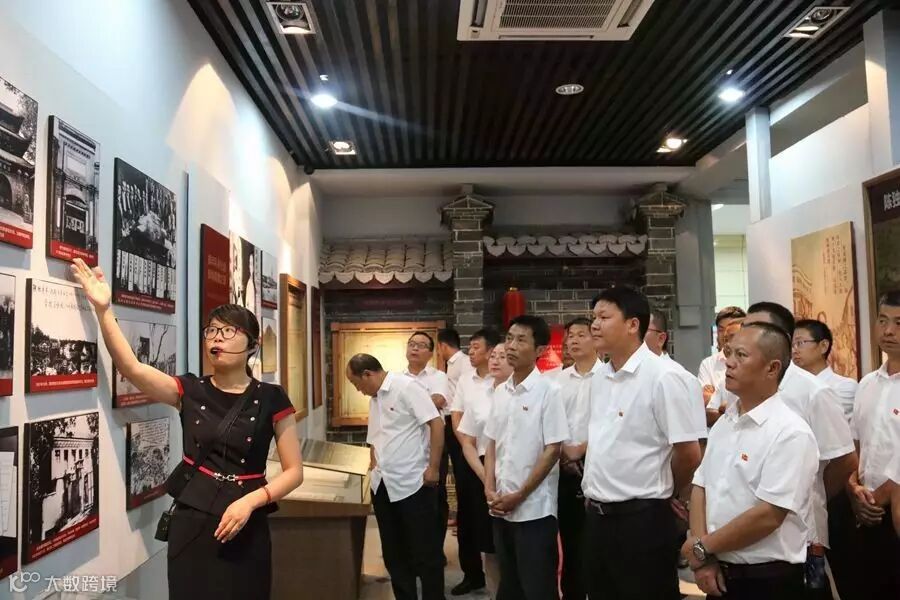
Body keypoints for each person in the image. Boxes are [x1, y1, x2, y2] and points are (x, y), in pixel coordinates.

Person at [69, 259, 303, 600]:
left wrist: (251, 502)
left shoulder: (272, 397)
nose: (216, 338)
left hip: (246, 520)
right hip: (192, 519)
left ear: (253, 345)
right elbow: (132, 368)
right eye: (212, 330)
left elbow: (294, 472)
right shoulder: (190, 390)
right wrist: (104, 309)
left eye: (228, 331)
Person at [567, 287, 705, 600]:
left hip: (641, 520)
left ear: (633, 325)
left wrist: (666, 490)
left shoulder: (665, 377)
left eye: (604, 317)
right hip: (597, 516)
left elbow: (689, 453)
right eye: (593, 318)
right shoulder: (601, 377)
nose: (595, 325)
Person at [682, 323, 819, 599]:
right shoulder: (725, 423)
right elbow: (700, 487)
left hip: (767, 579)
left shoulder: (790, 431)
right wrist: (704, 556)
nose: (729, 363)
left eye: (741, 355)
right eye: (729, 353)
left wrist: (702, 548)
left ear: (772, 368)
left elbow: (768, 515)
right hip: (718, 570)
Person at [743, 302, 856, 599]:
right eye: (745, 327)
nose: (745, 335)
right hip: (747, 531)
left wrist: (808, 492)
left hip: (800, 532)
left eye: (756, 328)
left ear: (782, 338)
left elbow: (844, 459)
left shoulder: (812, 391)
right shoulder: (742, 387)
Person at [484, 315, 569, 600]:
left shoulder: (549, 391)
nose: (511, 345)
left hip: (534, 510)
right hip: (500, 505)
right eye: (509, 338)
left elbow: (553, 449)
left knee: (538, 587)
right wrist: (489, 487)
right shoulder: (500, 391)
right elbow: (492, 443)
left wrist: (520, 495)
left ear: (540, 350)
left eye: (521, 340)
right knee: (510, 585)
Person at [347, 353, 446, 600]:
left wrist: (434, 468)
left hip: (413, 483)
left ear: (368, 374)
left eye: (357, 384)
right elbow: (375, 437)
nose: (358, 390)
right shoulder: (375, 398)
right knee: (394, 553)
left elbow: (436, 424)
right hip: (383, 485)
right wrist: (373, 466)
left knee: (425, 552)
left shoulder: (407, 387)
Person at [847, 290, 900, 598]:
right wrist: (854, 488)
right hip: (866, 515)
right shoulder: (867, 384)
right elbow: (858, 447)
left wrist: (879, 497)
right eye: (882, 320)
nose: (888, 331)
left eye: (898, 323)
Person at [457, 341, 514, 598]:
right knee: (489, 543)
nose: (495, 360)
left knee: (515, 544)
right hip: (482, 472)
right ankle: (494, 594)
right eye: (493, 356)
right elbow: (467, 441)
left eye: (503, 356)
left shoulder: (526, 394)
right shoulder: (479, 396)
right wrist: (485, 478)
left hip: (515, 473)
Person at [447, 327, 499, 595]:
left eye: (477, 347)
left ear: (491, 351)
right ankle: (472, 573)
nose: (471, 352)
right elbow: (456, 414)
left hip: (498, 457)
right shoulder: (466, 380)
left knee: (493, 516)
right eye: (470, 347)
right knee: (467, 514)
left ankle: (499, 576)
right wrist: (464, 441)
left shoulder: (502, 378)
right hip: (469, 453)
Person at [557, 317, 601, 600]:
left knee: (597, 543)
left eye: (581, 335)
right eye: (570, 335)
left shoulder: (608, 377)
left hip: (597, 466)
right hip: (563, 467)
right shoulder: (558, 380)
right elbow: (552, 423)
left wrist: (581, 450)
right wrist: (565, 452)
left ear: (596, 339)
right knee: (570, 541)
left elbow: (611, 424)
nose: (573, 340)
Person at [403, 332, 452, 554]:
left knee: (435, 497)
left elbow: (439, 400)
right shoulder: (398, 378)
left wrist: (407, 405)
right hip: (408, 447)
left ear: (431, 353)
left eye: (421, 345)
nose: (415, 348)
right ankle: (413, 549)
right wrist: (422, 402)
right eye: (412, 344)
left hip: (434, 445)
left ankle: (435, 550)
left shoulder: (438, 376)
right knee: (410, 497)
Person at [792, 319, 858, 421]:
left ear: (823, 346)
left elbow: (820, 420)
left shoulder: (845, 386)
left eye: (800, 343)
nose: (794, 350)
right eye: (791, 345)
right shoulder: (791, 386)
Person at [699, 306, 746, 406]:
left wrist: (718, 400)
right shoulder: (708, 364)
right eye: (721, 330)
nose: (725, 334)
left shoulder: (751, 362)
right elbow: (704, 400)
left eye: (731, 332)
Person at [705, 319, 744, 427]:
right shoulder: (725, 380)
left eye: (733, 337)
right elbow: (709, 415)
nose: (727, 344)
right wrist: (728, 410)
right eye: (726, 339)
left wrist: (726, 409)